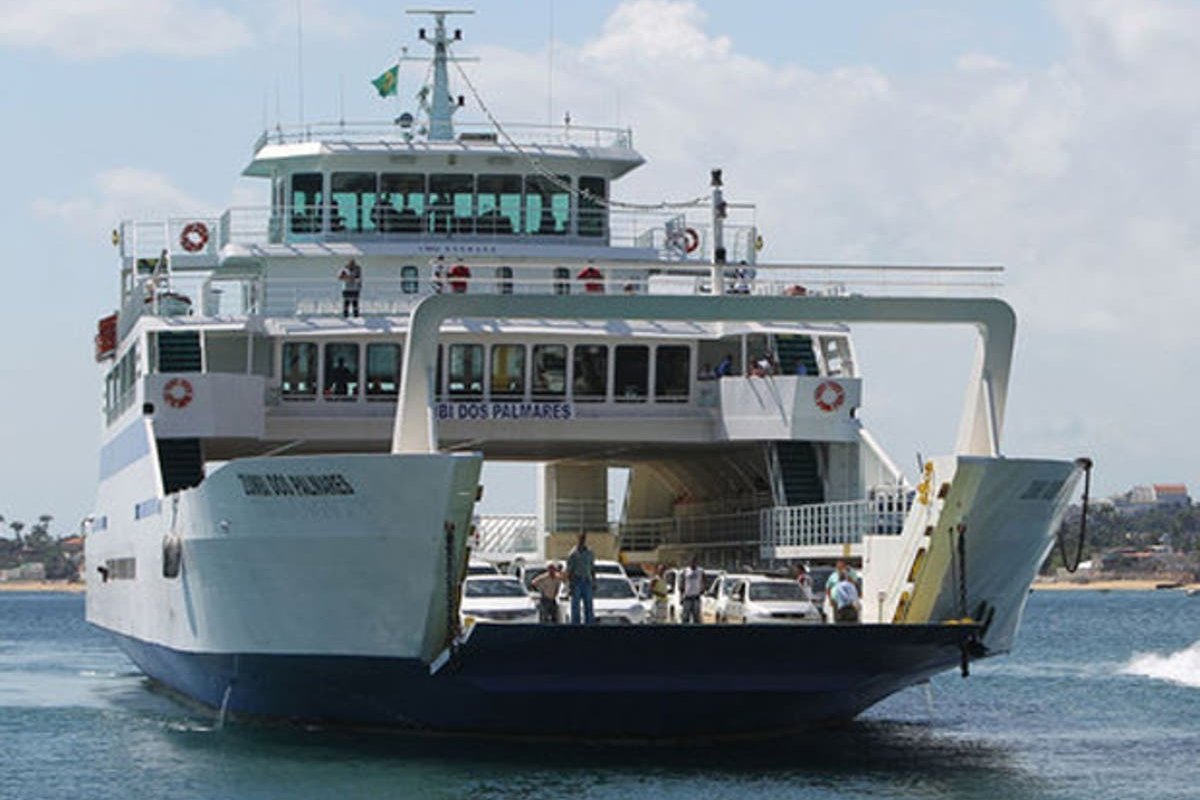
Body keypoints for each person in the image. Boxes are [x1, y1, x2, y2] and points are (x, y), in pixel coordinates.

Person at [564, 533, 596, 625]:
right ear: (578, 539)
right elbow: (569, 571)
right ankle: (576, 625)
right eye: (580, 539)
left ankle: (589, 625)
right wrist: (570, 585)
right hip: (576, 581)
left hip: (587, 580)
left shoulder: (589, 553)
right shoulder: (573, 553)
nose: (582, 540)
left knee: (589, 605)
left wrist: (594, 582)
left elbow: (592, 568)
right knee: (575, 606)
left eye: (583, 539)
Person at [681, 559, 704, 624]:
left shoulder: (700, 571)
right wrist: (681, 596)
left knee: (696, 617)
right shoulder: (686, 570)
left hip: (696, 597)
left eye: (694, 562)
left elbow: (704, 580)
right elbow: (682, 583)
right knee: (685, 617)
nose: (693, 564)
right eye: (691, 562)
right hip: (687, 597)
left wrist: (703, 588)